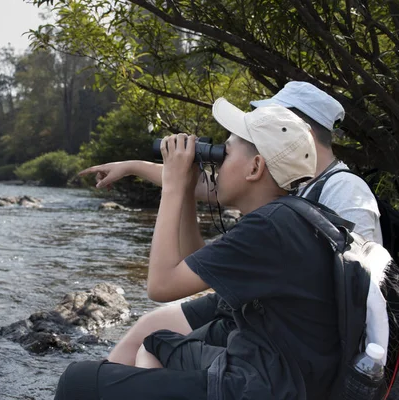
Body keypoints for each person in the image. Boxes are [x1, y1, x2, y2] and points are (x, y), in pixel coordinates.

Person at [79, 81, 383, 366]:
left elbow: (360, 290)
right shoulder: (276, 181)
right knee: (148, 326)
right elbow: (195, 183)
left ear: (297, 127)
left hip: (295, 329)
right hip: (261, 300)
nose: (260, 118)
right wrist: (134, 166)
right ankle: (106, 380)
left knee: (153, 349)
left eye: (269, 115)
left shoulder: (345, 192)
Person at [54, 101, 340, 399]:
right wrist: (187, 188)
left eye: (224, 153)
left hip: (263, 386)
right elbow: (192, 263)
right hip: (277, 371)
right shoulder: (287, 217)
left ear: (255, 167)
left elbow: (160, 286)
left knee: (76, 380)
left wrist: (174, 186)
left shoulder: (268, 229)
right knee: (154, 342)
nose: (215, 164)